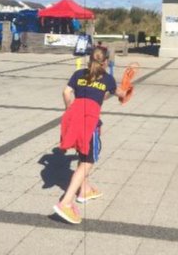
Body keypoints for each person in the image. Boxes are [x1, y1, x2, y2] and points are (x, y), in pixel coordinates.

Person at [53, 46, 117, 225]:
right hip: (90, 122)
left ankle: (85, 190)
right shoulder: (108, 79)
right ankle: (66, 203)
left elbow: (66, 92)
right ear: (106, 62)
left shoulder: (78, 74)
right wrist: (125, 92)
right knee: (88, 161)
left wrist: (69, 108)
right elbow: (112, 94)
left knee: (83, 152)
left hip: (75, 119)